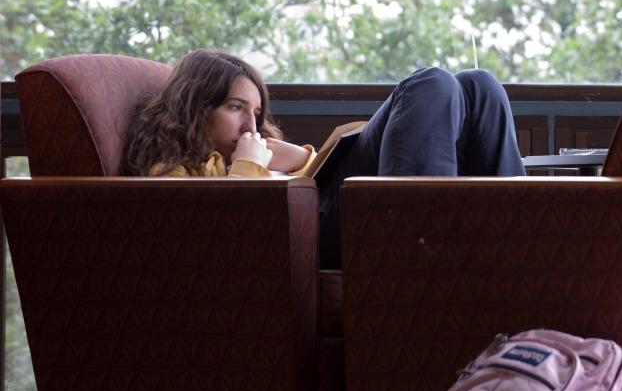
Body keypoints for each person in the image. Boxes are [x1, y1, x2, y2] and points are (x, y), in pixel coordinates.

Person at [123, 49, 527, 269]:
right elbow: (220, 240)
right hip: (315, 236)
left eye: (257, 113)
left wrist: (298, 158)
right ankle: (418, 261)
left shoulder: (249, 143)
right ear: (195, 108)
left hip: (328, 204)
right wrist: (246, 169)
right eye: (235, 108)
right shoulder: (168, 169)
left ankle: (518, 250)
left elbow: (306, 184)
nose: (252, 124)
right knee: (431, 83)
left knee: (479, 85)